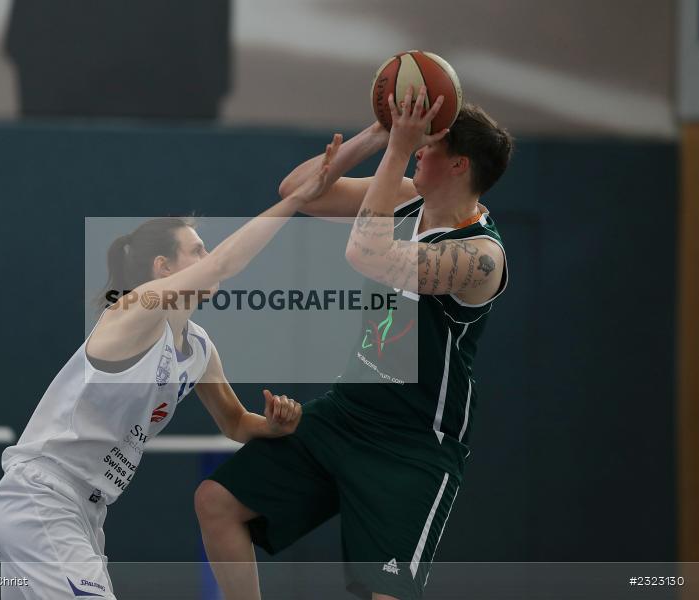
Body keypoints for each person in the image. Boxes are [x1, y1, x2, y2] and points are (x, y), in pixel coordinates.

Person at [195, 86, 513, 600]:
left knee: (383, 595)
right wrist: (380, 132)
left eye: (429, 145)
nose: (419, 151)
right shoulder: (409, 196)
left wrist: (395, 152)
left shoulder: (480, 256)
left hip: (412, 445)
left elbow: (366, 253)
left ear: (459, 166)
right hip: (348, 414)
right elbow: (298, 189)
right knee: (218, 501)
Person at [0, 140, 343, 599]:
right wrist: (295, 200)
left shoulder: (197, 348)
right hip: (42, 496)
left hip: (86, 514)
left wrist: (276, 425)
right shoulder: (135, 309)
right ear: (164, 268)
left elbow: (235, 422)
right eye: (196, 251)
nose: (207, 257)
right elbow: (227, 262)